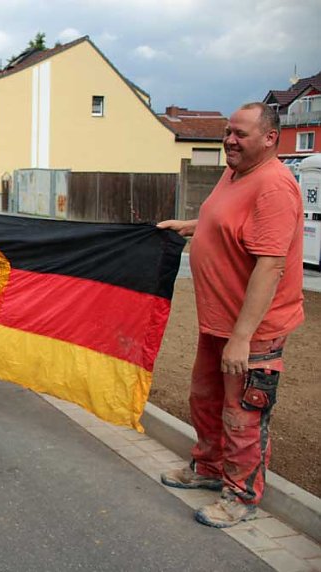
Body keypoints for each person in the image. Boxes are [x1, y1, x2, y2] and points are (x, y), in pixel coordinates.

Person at [157, 102, 304, 528]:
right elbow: (226, 220)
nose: (229, 141)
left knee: (243, 412)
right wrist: (190, 225)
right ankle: (208, 468)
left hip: (254, 330)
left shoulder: (274, 187)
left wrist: (242, 337)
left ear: (270, 138)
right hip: (218, 320)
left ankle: (241, 496)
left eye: (240, 134)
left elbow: (270, 265)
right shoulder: (235, 172)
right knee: (205, 397)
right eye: (227, 132)